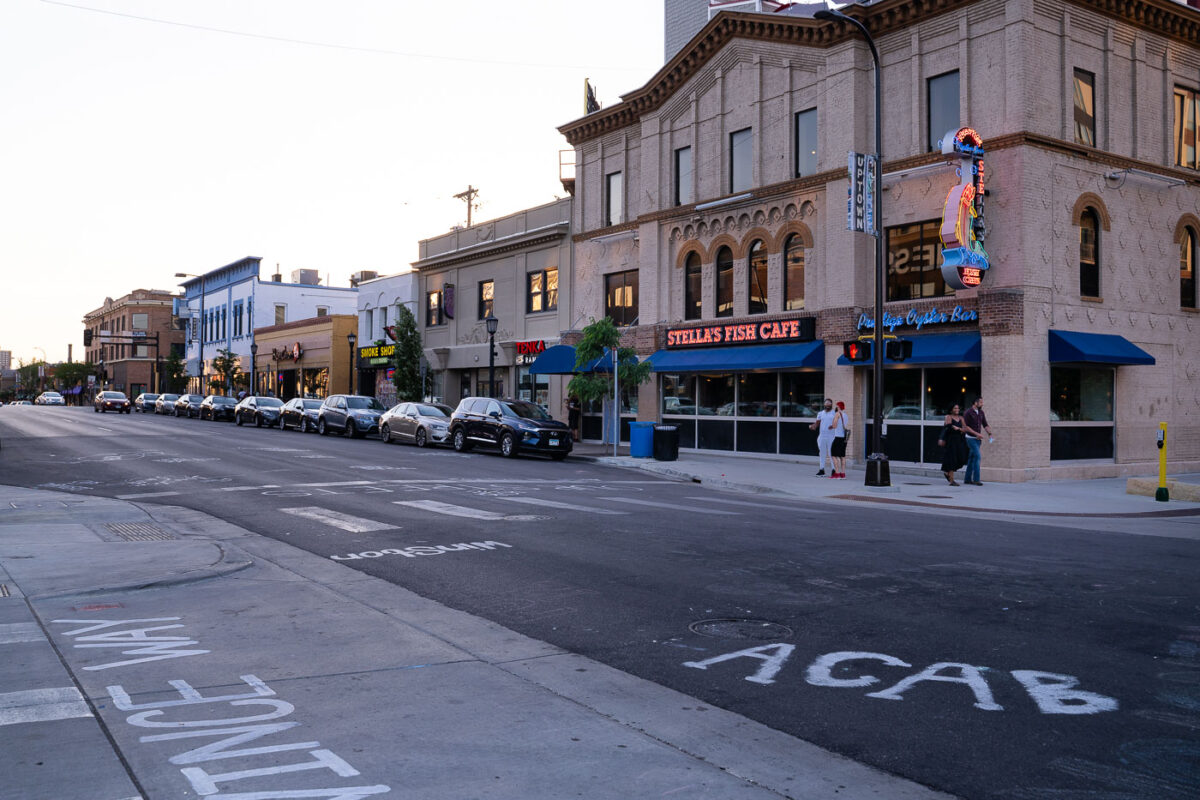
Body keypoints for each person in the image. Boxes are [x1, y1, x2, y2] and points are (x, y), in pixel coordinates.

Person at [962, 396, 993, 486]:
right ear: (975, 403)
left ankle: (967, 479)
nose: (982, 404)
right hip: (970, 438)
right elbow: (966, 427)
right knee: (978, 457)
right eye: (981, 402)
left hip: (978, 440)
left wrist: (989, 433)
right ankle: (976, 479)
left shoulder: (981, 413)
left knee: (971, 459)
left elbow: (985, 424)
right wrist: (977, 434)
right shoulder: (968, 412)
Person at [939, 403, 969, 486]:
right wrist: (942, 438)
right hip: (951, 441)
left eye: (958, 408)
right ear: (951, 409)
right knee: (952, 459)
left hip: (960, 441)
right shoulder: (948, 417)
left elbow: (965, 429)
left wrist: (958, 428)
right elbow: (948, 427)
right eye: (955, 408)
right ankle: (952, 480)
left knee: (961, 458)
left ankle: (946, 472)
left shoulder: (961, 418)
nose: (957, 410)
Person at [810, 398, 836, 476]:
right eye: (826, 403)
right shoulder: (820, 413)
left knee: (832, 453)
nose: (827, 405)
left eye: (829, 403)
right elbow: (817, 424)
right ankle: (821, 470)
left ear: (831, 404)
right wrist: (813, 426)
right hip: (822, 436)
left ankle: (834, 470)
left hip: (832, 436)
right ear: (824, 404)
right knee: (822, 453)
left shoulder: (835, 413)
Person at [830, 401, 848, 479]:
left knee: (833, 455)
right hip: (844, 438)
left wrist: (834, 419)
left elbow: (834, 426)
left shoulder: (837, 414)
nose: (836, 407)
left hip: (837, 438)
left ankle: (837, 474)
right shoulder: (846, 415)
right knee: (842, 456)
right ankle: (843, 474)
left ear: (839, 407)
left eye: (837, 406)